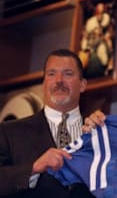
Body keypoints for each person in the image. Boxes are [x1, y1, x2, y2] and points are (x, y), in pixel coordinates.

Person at [0, 49, 94, 197]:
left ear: (82, 85)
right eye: (51, 74)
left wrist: (105, 133)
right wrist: (33, 169)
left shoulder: (100, 134)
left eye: (68, 74)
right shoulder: (8, 133)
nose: (59, 80)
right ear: (44, 84)